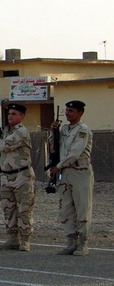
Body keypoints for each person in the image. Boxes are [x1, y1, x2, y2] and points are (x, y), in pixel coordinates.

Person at [51, 100, 93, 256]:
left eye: (71, 111)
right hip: (66, 173)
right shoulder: (64, 130)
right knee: (66, 208)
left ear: (80, 113)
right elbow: (54, 147)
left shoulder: (83, 130)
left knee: (82, 207)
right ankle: (71, 241)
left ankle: (83, 243)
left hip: (79, 172)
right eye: (67, 110)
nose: (68, 113)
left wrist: (59, 166)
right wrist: (53, 132)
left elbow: (75, 153)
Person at [0, 103, 35, 251]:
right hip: (6, 176)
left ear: (21, 116)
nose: (10, 116)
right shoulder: (6, 131)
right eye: (9, 113)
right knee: (8, 208)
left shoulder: (22, 131)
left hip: (21, 175)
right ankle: (13, 238)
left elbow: (5, 146)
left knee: (24, 208)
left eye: (14, 114)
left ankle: (25, 239)